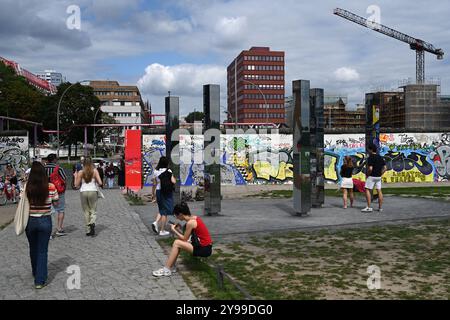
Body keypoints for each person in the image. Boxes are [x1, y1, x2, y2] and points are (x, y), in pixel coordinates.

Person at [153, 202, 213, 277]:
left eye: (176, 215)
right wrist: (178, 229)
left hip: (204, 249)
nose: (177, 218)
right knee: (178, 243)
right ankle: (171, 267)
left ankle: (166, 269)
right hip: (205, 246)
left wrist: (173, 230)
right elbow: (187, 236)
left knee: (177, 243)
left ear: (181, 214)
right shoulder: (194, 218)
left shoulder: (190, 223)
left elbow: (184, 239)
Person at [25, 161, 59, 289]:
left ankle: (35, 272)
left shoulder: (27, 187)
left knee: (33, 248)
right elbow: (56, 203)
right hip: (45, 220)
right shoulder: (50, 186)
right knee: (42, 251)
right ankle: (40, 280)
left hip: (30, 221)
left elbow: (22, 202)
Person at [75, 157, 103, 236]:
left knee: (86, 211)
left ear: (83, 163)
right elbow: (100, 183)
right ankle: (92, 223)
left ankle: (88, 230)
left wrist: (75, 177)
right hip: (93, 191)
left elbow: (76, 185)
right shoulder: (94, 171)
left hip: (83, 191)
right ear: (91, 163)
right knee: (93, 210)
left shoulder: (80, 172)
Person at [151, 156, 176, 236]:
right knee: (165, 211)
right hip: (166, 192)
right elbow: (173, 181)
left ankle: (156, 222)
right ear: (167, 163)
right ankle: (162, 230)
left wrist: (153, 193)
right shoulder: (168, 170)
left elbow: (154, 184)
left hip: (158, 191)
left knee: (161, 208)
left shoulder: (156, 171)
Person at [45, 154, 67, 236]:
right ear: (54, 159)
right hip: (58, 191)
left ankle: (49, 232)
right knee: (60, 210)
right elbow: (64, 179)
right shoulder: (59, 168)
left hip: (45, 192)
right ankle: (59, 229)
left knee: (48, 211)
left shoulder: (43, 169)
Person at [362, 144, 387, 213]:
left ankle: (369, 207)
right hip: (378, 177)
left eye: (368, 149)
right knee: (379, 191)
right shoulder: (380, 157)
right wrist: (380, 174)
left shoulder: (370, 157)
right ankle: (380, 208)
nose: (368, 151)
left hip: (372, 176)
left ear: (371, 150)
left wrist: (368, 174)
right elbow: (385, 168)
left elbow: (370, 168)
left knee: (367, 189)